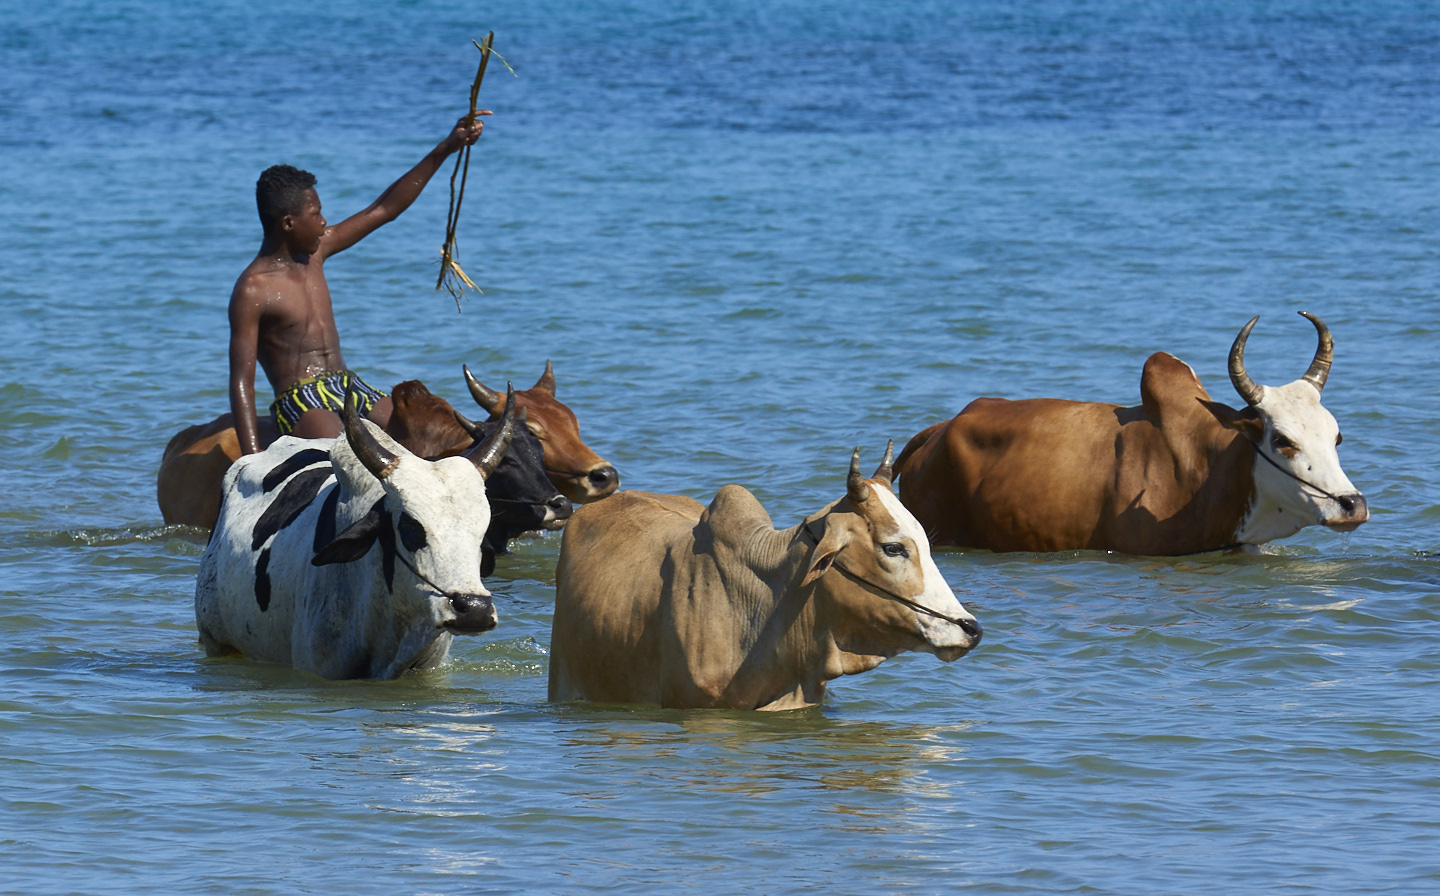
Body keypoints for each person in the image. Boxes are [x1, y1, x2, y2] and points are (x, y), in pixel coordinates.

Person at [228, 113, 489, 455]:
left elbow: (384, 209)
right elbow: (241, 383)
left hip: (349, 385)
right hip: (302, 399)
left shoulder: (317, 252)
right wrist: (251, 459)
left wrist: (447, 147)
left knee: (425, 440)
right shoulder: (253, 289)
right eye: (317, 214)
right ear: (289, 223)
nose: (324, 223)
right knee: (348, 456)